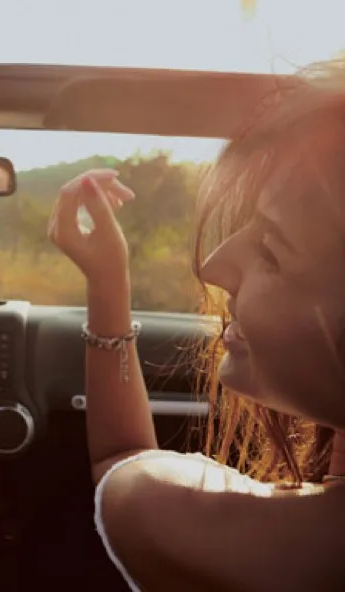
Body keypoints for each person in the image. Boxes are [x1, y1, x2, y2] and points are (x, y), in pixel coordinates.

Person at [48, 65, 345, 591]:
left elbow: (124, 464)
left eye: (271, 250)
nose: (213, 267)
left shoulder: (267, 549)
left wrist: (107, 282)